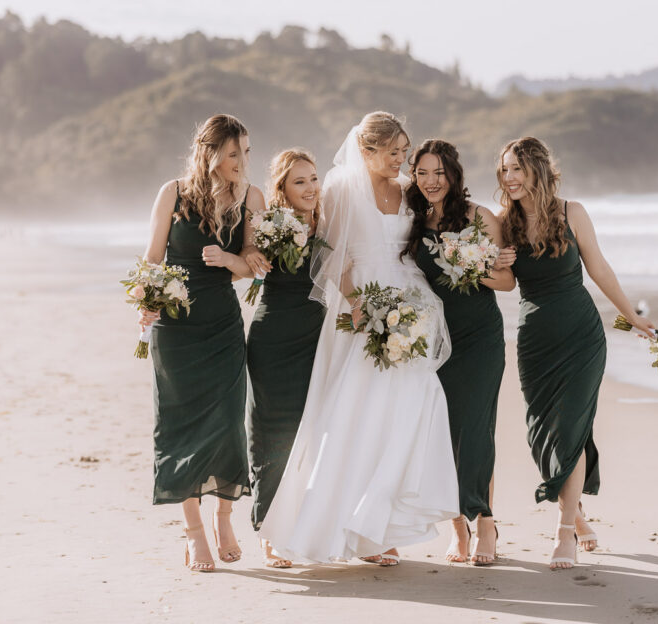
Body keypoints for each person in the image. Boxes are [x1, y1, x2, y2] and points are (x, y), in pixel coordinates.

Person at [257, 112, 458, 566]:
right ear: (367, 151)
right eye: (394, 152)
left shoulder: (409, 188)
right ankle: (328, 523)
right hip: (360, 305)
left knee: (405, 411)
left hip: (409, 305)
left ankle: (376, 526)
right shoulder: (340, 188)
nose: (402, 159)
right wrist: (354, 302)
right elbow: (329, 255)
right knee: (351, 414)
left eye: (404, 150)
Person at [498, 137, 654, 570]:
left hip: (582, 335)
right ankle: (578, 513)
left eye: (516, 169)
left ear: (538, 170)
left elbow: (599, 267)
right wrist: (496, 261)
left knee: (571, 427)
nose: (508, 178)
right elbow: (506, 283)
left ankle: (564, 530)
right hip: (535, 339)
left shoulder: (573, 213)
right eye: (504, 170)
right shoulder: (502, 222)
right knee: (542, 433)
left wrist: (632, 317)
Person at [138, 114, 262, 572]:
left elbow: (255, 264)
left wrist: (231, 257)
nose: (242, 161)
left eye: (246, 152)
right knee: (180, 425)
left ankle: (224, 518)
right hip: (176, 329)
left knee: (230, 421)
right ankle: (194, 535)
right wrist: (144, 301)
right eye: (234, 153)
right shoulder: (172, 193)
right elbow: (152, 261)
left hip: (221, 325)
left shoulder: (251, 197)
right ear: (210, 152)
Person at [402, 139, 515, 565]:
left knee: (476, 428)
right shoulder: (412, 222)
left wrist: (469, 265)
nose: (431, 182)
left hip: (480, 337)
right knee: (442, 432)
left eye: (439, 173)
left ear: (453, 174)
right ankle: (457, 527)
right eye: (423, 173)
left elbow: (507, 283)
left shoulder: (479, 217)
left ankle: (485, 520)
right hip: (434, 340)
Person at [243, 149, 325, 568]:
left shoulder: (330, 221)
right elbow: (247, 263)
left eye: (313, 178)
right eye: (300, 182)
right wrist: (245, 260)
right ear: (282, 188)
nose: (310, 188)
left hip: (318, 337)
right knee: (271, 429)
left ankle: (311, 527)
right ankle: (268, 529)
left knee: (314, 433)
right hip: (273, 336)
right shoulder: (268, 222)